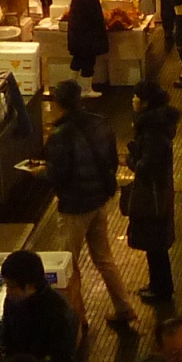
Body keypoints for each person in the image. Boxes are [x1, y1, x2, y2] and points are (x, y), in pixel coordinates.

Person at [41, 83, 135, 330]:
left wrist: (40, 172)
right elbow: (112, 160)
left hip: (74, 207)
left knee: (68, 263)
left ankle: (76, 318)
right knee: (104, 258)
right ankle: (124, 306)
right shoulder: (99, 122)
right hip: (98, 200)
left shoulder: (60, 135)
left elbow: (57, 175)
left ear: (59, 104)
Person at [126, 80, 181, 304]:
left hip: (153, 194)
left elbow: (147, 166)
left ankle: (162, 290)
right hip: (161, 191)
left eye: (136, 97)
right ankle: (159, 286)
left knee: (155, 244)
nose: (133, 100)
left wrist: (131, 159)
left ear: (145, 102)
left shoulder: (152, 129)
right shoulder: (158, 124)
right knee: (156, 244)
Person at [0, 250, 81, 362]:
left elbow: (61, 361)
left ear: (30, 286)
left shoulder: (57, 311)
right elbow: (7, 335)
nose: (8, 292)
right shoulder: (13, 300)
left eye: (11, 286)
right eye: (6, 285)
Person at [67, 0, 123, 98]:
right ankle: (86, 89)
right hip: (86, 34)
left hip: (78, 33)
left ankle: (69, 87)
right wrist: (105, 21)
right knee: (88, 60)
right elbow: (92, 13)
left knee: (78, 59)